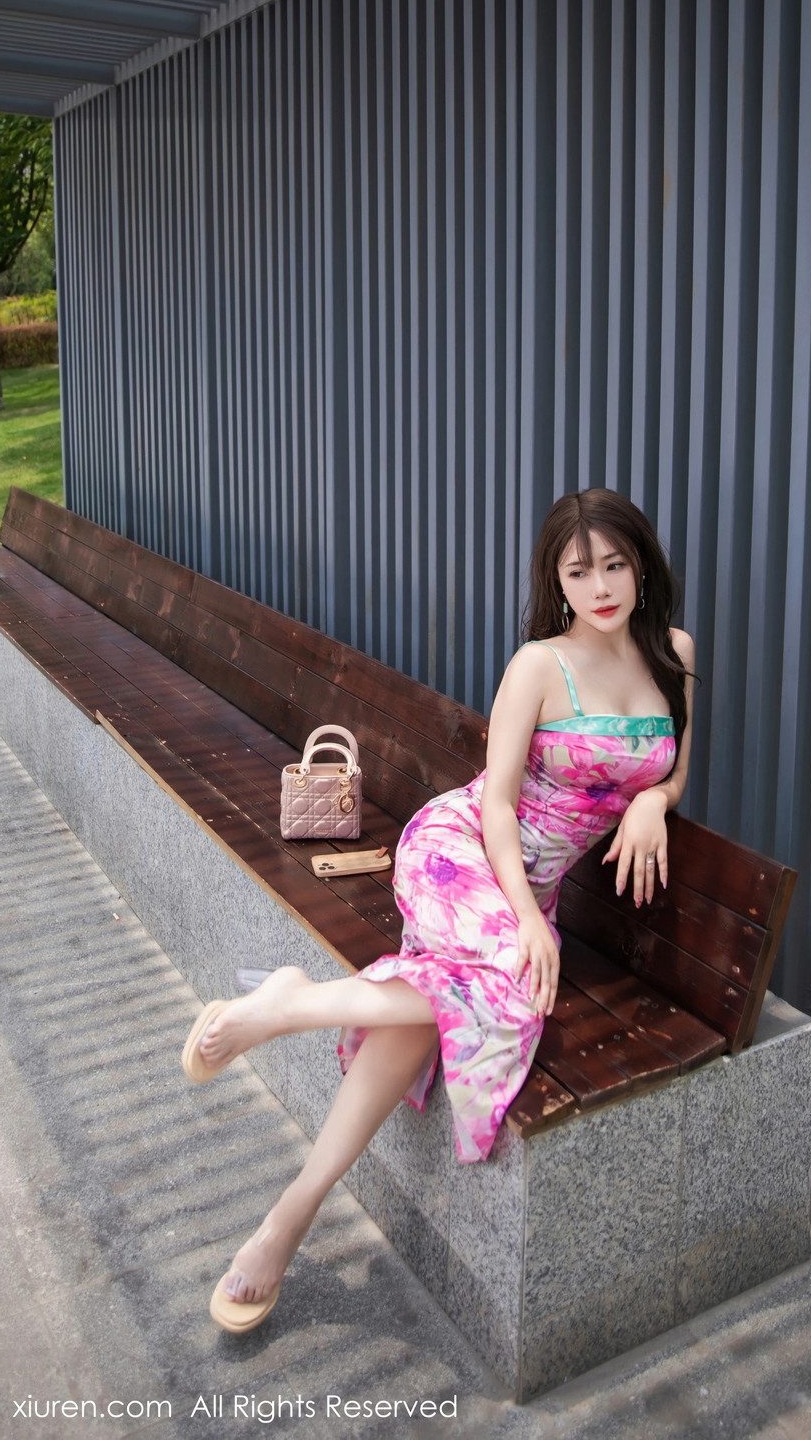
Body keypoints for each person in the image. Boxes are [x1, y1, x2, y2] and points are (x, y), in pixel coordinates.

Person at [180, 487, 697, 1331]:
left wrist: (653, 803)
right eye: (579, 572)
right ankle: (289, 1009)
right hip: (464, 855)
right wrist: (525, 916)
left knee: (434, 1013)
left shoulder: (673, 652)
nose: (600, 587)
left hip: (527, 892)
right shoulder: (540, 665)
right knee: (506, 987)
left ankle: (286, 1215)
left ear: (642, 564)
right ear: (555, 580)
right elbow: (498, 806)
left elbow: (675, 767)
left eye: (615, 565)